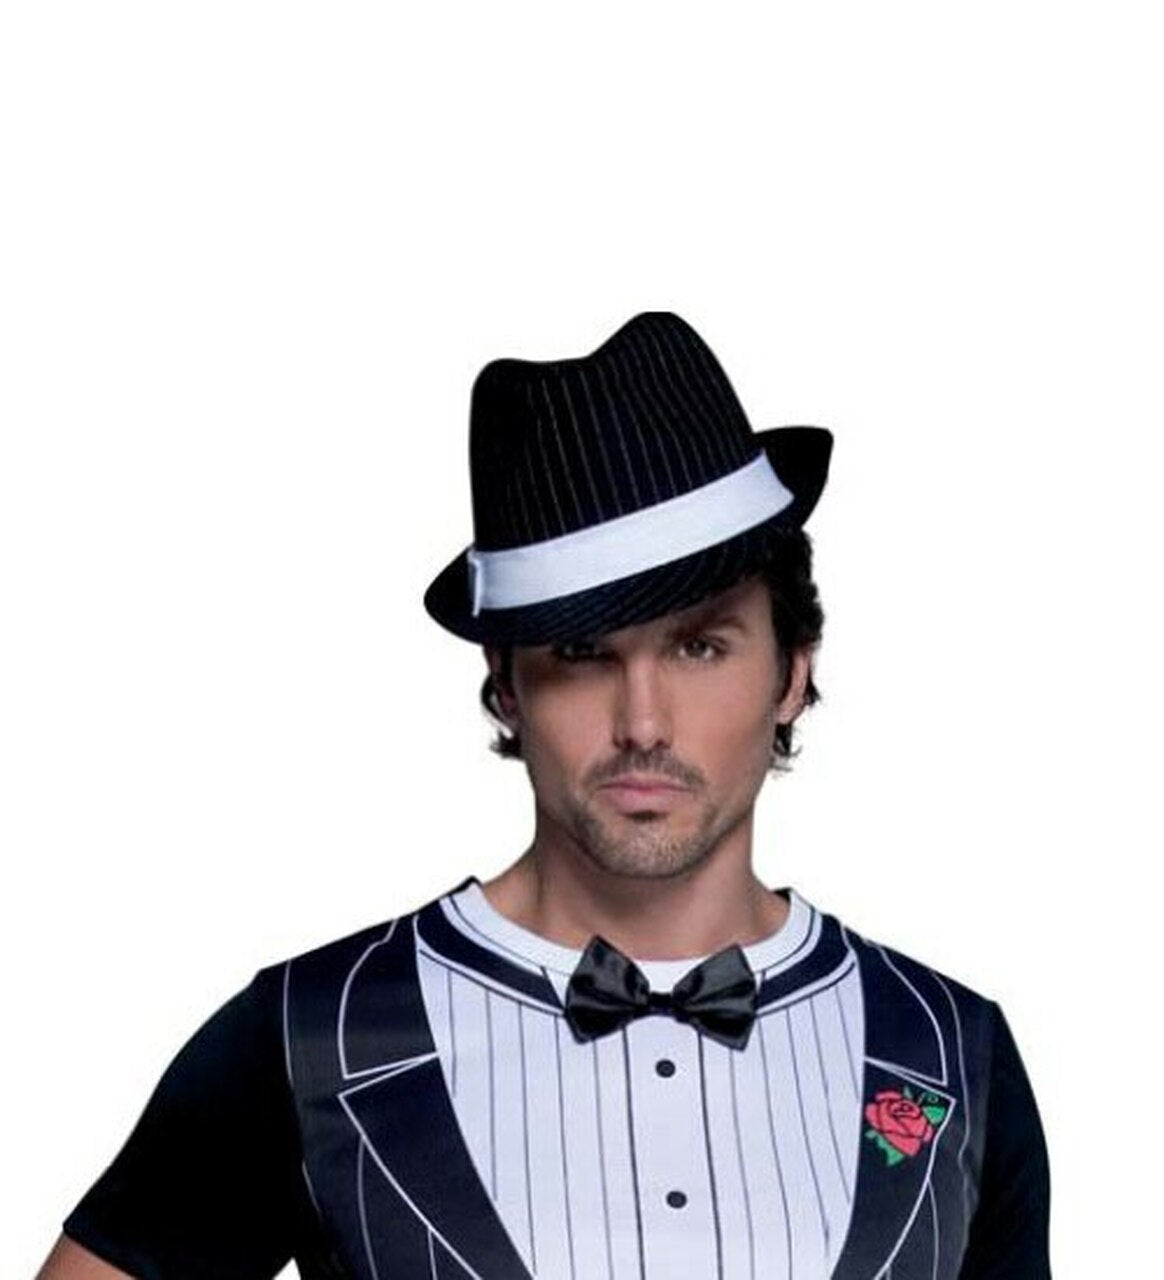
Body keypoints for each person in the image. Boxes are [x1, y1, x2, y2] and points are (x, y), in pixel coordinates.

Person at [38, 312, 1051, 1279]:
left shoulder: (947, 1050)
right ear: (507, 684)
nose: (643, 722)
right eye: (581, 653)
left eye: (700, 646)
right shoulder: (315, 1035)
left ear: (791, 671)